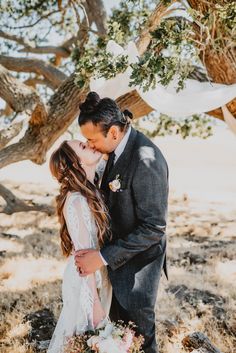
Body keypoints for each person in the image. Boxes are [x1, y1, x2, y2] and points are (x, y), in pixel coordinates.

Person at [75, 92, 169, 353]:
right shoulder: (114, 150)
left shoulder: (146, 160)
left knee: (139, 342)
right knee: (116, 341)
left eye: (92, 139)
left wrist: (103, 257)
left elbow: (154, 227)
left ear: (114, 132)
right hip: (113, 269)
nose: (90, 145)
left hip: (138, 270)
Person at [47, 139, 112, 353]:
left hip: (100, 278)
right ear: (76, 164)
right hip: (87, 284)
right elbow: (85, 261)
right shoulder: (77, 202)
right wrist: (93, 304)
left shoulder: (92, 189)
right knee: (89, 339)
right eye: (83, 147)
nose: (90, 144)